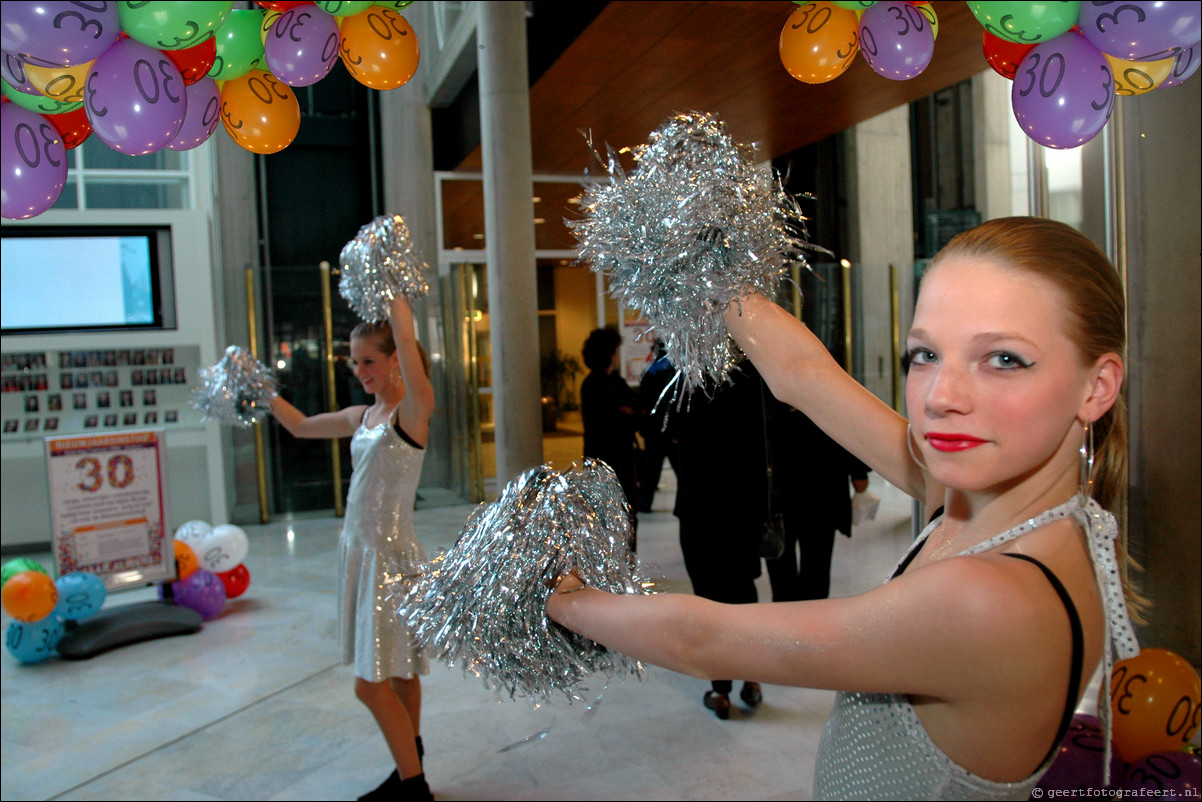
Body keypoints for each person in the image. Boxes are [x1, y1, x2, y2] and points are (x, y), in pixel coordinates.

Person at [548, 217, 1141, 800]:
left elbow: (700, 639)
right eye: (926, 355)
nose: (941, 397)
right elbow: (804, 376)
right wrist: (708, 259)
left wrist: (564, 600)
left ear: (1097, 386)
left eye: (1004, 359)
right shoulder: (1022, 509)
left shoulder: (988, 600)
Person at [271, 295, 436, 802]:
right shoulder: (363, 416)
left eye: (369, 360)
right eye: (354, 361)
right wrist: (262, 392)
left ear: (393, 361)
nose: (359, 370)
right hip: (364, 554)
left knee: (371, 684)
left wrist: (396, 295)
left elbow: (407, 339)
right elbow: (299, 426)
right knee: (402, 673)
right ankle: (411, 764)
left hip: (389, 558)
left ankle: (412, 787)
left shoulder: (412, 412)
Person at [668, 358, 769, 718]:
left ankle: (720, 688)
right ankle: (751, 677)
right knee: (743, 593)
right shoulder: (748, 375)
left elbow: (665, 427)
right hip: (742, 505)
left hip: (700, 506)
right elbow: (761, 444)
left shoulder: (687, 374)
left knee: (710, 597)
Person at [765, 402, 870, 602]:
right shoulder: (767, 381)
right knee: (783, 563)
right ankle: (786, 620)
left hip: (819, 480)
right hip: (782, 481)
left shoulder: (824, 375)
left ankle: (809, 622)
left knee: (815, 564)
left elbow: (843, 414)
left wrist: (858, 470)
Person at [580, 327, 641, 546]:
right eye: (614, 351)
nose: (617, 356)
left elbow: (634, 413)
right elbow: (623, 418)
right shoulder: (598, 385)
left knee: (619, 515)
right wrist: (627, 413)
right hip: (610, 460)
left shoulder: (609, 382)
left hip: (609, 457)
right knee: (614, 515)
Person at [636, 339, 678, 513]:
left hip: (655, 431)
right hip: (669, 431)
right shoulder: (673, 371)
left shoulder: (651, 372)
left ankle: (644, 503)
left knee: (651, 469)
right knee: (681, 469)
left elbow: (643, 400)